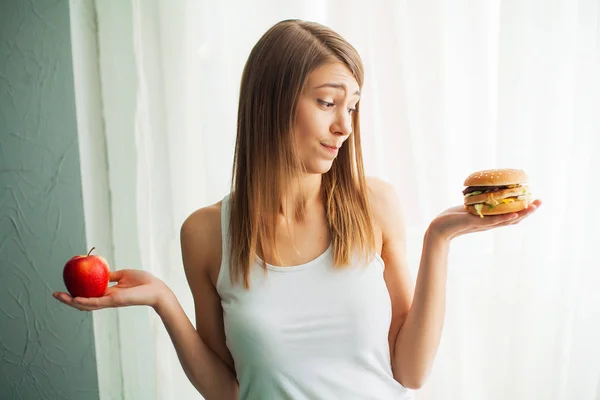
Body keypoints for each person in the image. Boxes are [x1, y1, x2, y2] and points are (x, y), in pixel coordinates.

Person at [53, 19, 541, 400]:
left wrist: (439, 238)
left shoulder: (376, 205)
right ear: (272, 102)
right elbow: (231, 392)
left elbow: (410, 371)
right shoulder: (204, 234)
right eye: (328, 102)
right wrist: (163, 300)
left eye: (351, 107)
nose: (344, 127)